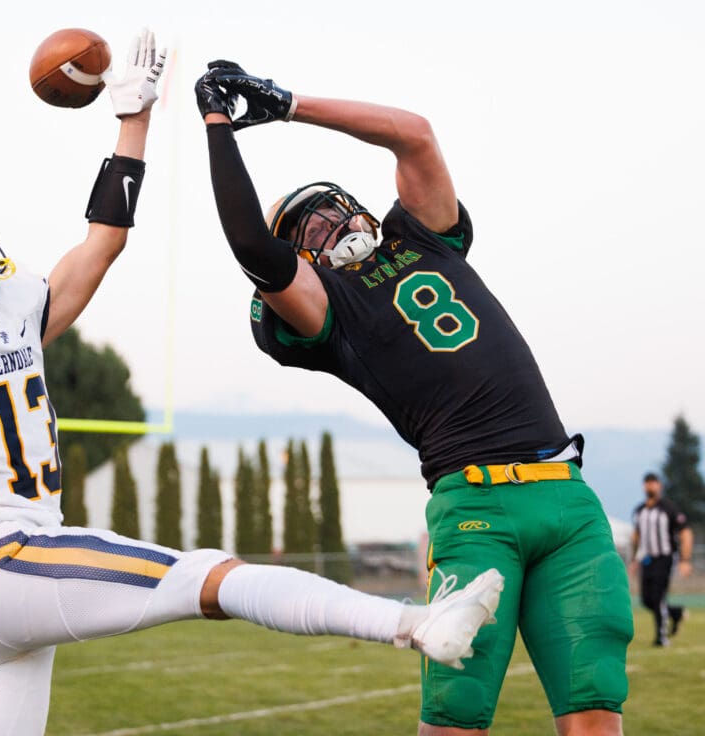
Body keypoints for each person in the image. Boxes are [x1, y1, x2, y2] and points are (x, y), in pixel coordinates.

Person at [0, 30, 503, 736]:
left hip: (2, 586)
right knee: (206, 577)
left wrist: (132, 118)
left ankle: (416, 623)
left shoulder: (6, 316)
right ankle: (415, 623)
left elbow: (101, 242)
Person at [194, 61, 633, 735]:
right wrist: (219, 125)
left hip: (568, 497)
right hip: (476, 503)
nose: (330, 227)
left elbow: (414, 135)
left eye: (332, 210)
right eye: (308, 232)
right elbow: (252, 243)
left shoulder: (422, 235)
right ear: (299, 264)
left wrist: (285, 103)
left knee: (597, 712)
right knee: (455, 717)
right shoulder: (326, 310)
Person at [631, 471, 694, 646]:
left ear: (660, 485)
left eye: (653, 482)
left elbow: (686, 532)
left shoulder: (669, 508)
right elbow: (636, 536)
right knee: (646, 599)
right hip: (646, 560)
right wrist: (635, 559)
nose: (650, 485)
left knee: (658, 597)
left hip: (664, 558)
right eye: (647, 482)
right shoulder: (640, 510)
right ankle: (676, 613)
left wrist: (685, 559)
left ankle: (661, 637)